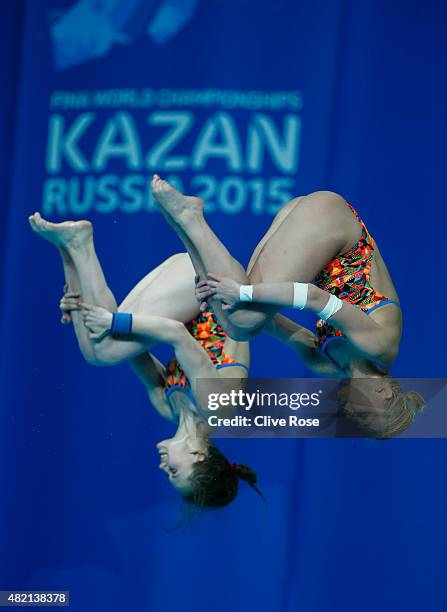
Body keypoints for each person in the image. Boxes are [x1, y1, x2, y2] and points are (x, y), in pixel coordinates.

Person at [151, 176, 424, 438]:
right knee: (244, 316)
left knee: (237, 325)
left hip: (312, 230)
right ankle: (191, 216)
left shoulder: (325, 362)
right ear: (384, 393)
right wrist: (242, 292)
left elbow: (269, 322)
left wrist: (213, 299)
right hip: (331, 220)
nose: (351, 415)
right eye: (364, 416)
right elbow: (313, 297)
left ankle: (179, 223)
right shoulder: (381, 345)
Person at [28, 212, 259, 508]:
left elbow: (132, 351)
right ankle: (77, 244)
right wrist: (113, 321)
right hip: (213, 280)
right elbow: (175, 333)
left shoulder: (168, 407)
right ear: (199, 456)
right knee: (104, 348)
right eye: (174, 472)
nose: (163, 467)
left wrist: (80, 311)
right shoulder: (217, 408)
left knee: (100, 347)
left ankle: (70, 252)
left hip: (188, 285)